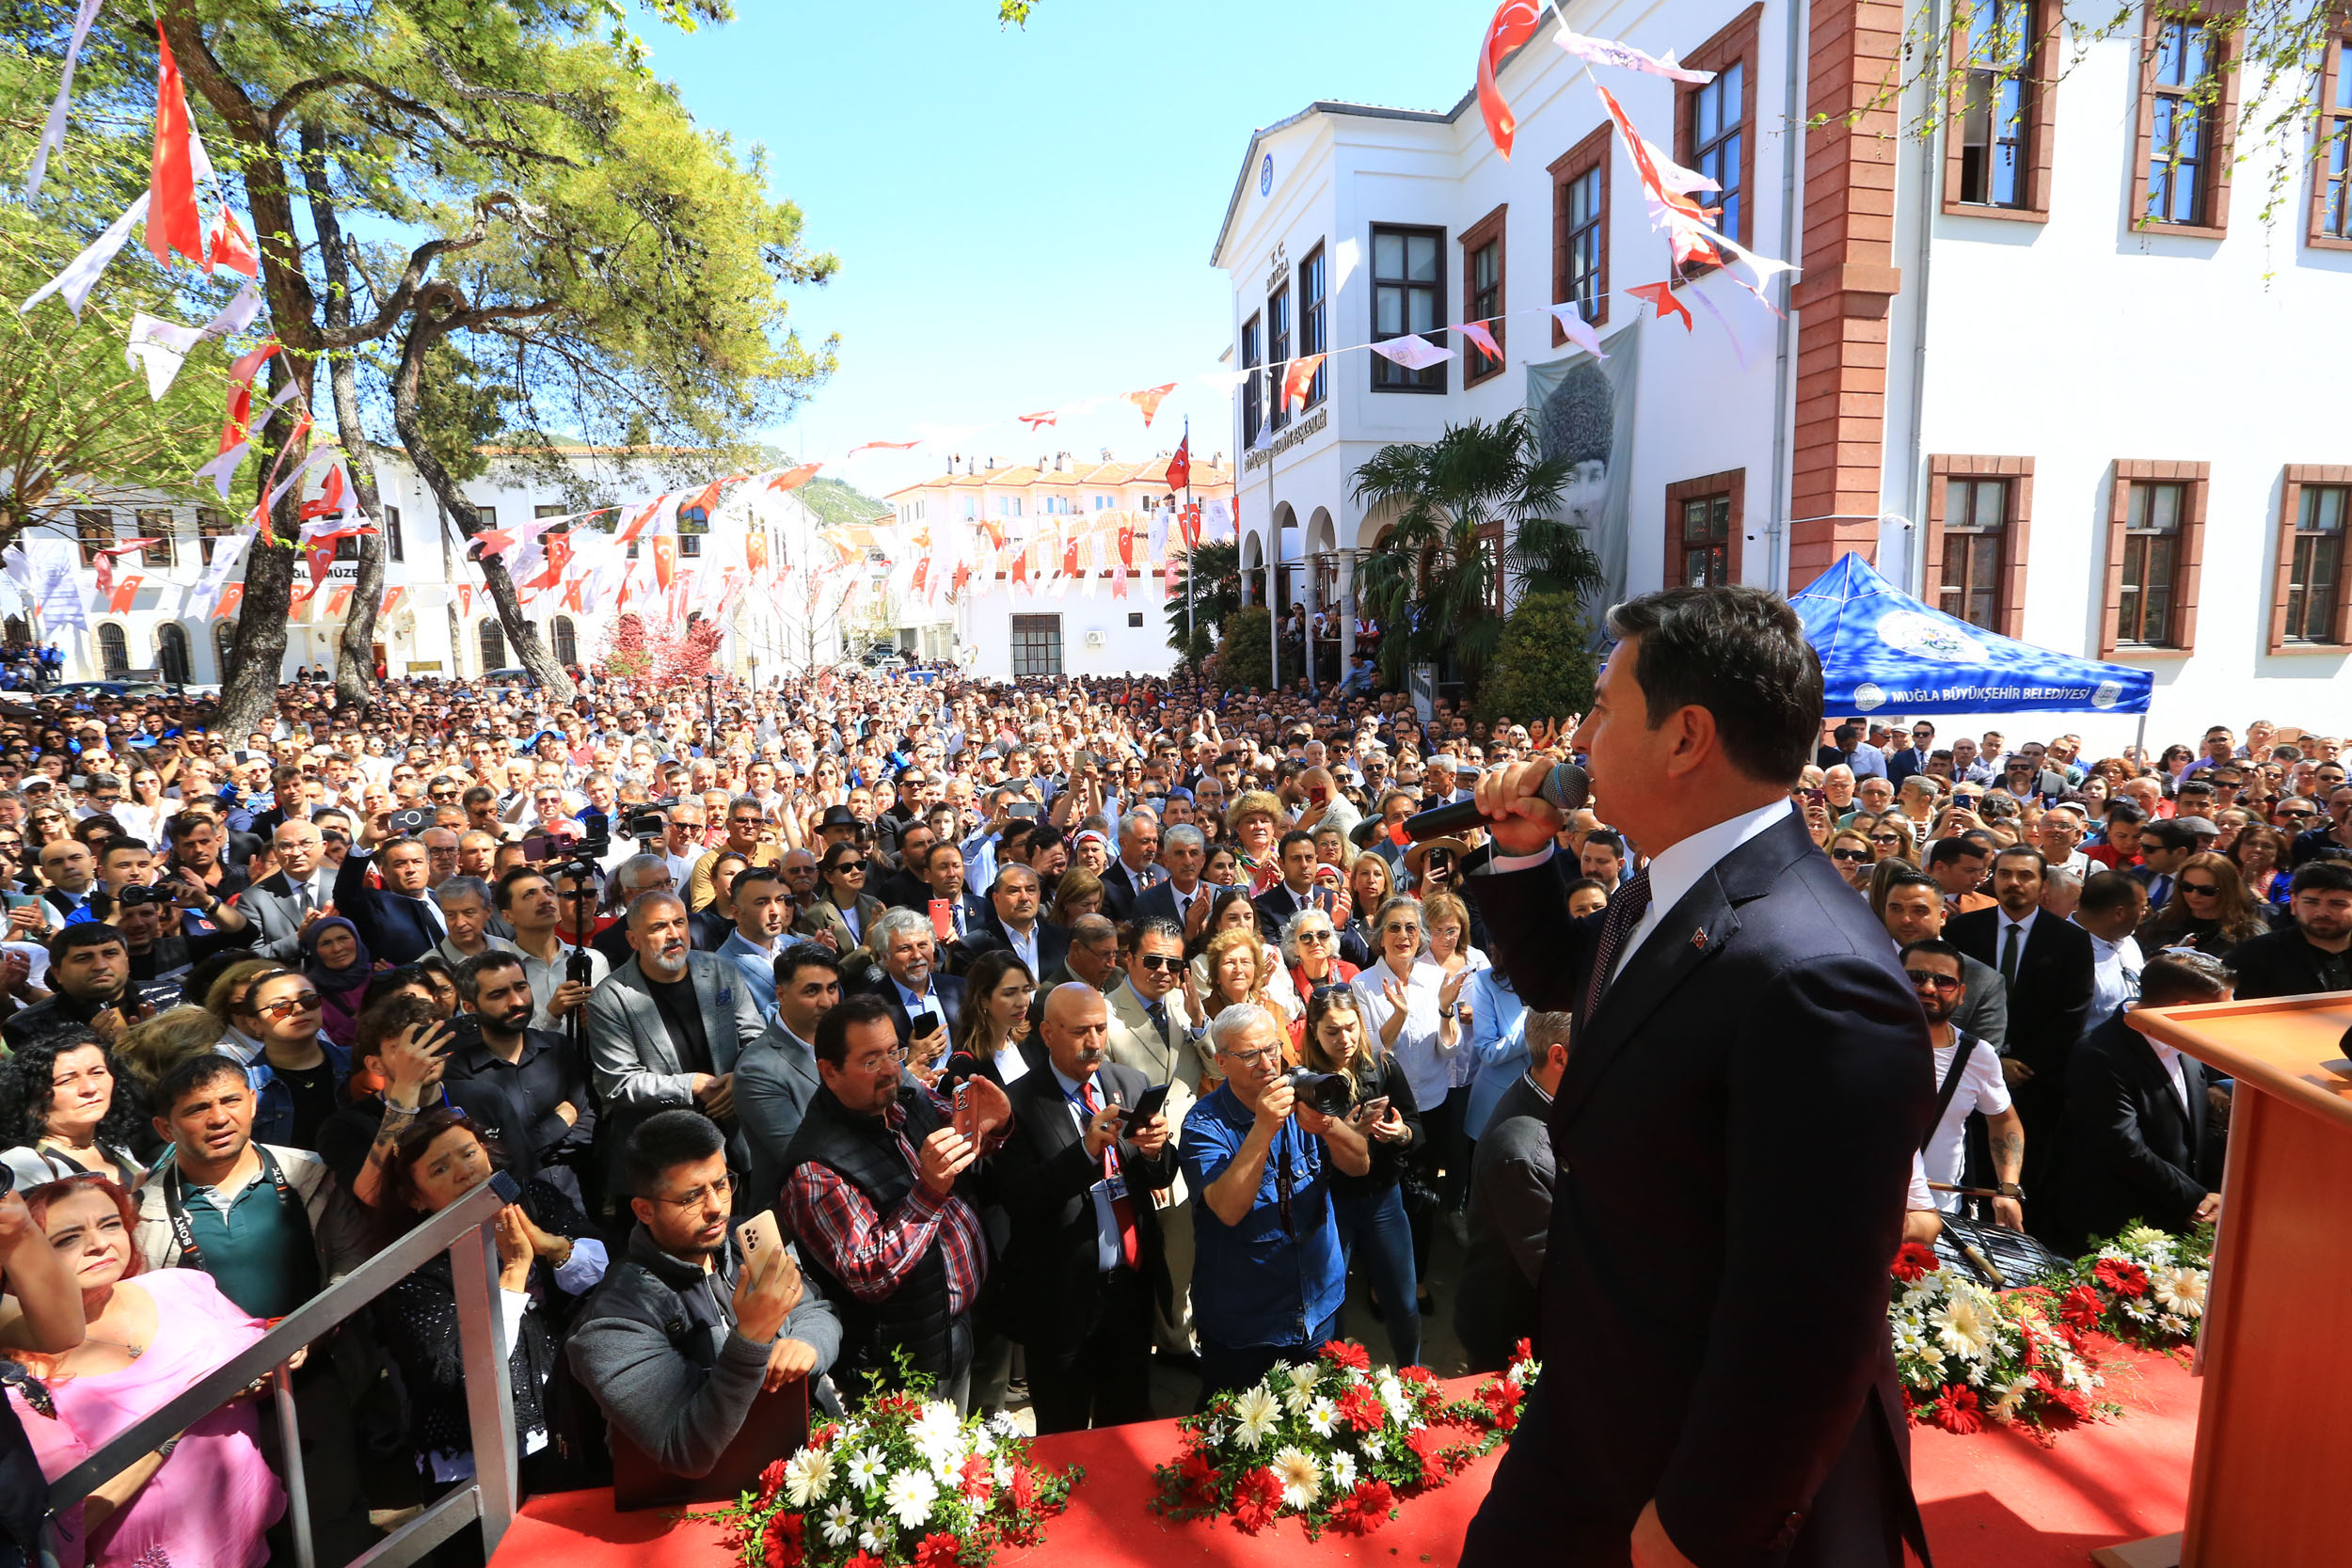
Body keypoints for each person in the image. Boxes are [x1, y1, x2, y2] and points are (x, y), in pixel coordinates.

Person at [1457, 587, 1931, 1568]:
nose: (1577, 737)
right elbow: (1584, 984)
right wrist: (1521, 852)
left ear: (1686, 737)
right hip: (1599, 1408)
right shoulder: (1672, 887)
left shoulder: (1816, 973)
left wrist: (1699, 1526)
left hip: (1682, 1472)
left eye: (1599, 707)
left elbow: (1810, 1311)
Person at [4, 1176, 287, 1568]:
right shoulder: (23, 1375)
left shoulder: (183, 1286)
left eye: (110, 1224)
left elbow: (251, 1373)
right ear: (27, 1265)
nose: (99, 1244)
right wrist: (183, 1412)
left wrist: (276, 1362)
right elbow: (61, 1522)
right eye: (67, 1239)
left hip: (258, 1540)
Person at [566, 1111, 841, 1481]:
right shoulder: (613, 1320)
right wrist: (752, 1338)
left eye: (722, 1183)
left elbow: (819, 1311)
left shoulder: (744, 1243)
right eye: (692, 1196)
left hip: (806, 1470)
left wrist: (808, 1346)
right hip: (707, 1511)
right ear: (644, 1209)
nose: (715, 1207)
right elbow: (685, 1451)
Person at [778, 993, 1012, 1410]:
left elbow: (962, 1137)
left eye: (894, 1052)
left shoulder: (903, 1098)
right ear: (828, 1071)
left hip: (959, 1323)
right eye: (871, 1060)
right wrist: (929, 1191)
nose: (890, 1069)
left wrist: (992, 1125)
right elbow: (868, 1274)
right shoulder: (814, 1171)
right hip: (903, 1363)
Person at [371, 1107, 606, 1489]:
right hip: (483, 1458)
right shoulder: (413, 1268)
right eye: (440, 1169)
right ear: (415, 1198)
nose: (465, 1171)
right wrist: (514, 1271)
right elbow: (457, 1373)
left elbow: (607, 1281)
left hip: (573, 1417)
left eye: (469, 1153)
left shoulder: (534, 1198)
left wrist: (555, 1248)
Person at [985, 983, 1175, 1433]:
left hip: (1128, 1290)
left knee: (1128, 1423)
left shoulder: (1129, 1083)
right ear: (1047, 1033)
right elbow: (1020, 1197)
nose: (1094, 1042)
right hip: (1061, 1300)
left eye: (1100, 1029)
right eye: (1079, 1031)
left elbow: (1159, 1176)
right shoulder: (1017, 1103)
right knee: (1064, 1436)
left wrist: (1154, 1153)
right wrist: (1086, 1154)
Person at [1179, 1002, 1370, 1402]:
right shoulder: (1203, 1125)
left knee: (1319, 1430)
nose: (1267, 1064)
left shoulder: (1302, 1095)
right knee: (1240, 1440)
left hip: (1320, 1307)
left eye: (1272, 1049)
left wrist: (1330, 1125)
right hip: (1247, 1323)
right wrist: (1264, 1128)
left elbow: (1359, 1165)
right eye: (1250, 1055)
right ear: (1221, 1062)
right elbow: (1228, 1210)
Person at [132, 1053, 372, 1310]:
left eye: (231, 1101)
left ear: (253, 1104)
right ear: (165, 1129)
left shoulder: (315, 1174)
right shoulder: (140, 1214)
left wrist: (320, 1324)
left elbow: (352, 1257)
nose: (219, 1118)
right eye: (198, 1109)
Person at [2039, 951, 2231, 1256]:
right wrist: (2197, 1201)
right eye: (2221, 1011)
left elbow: (2202, 1122)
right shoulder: (2100, 1054)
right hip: (2119, 1233)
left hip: (2180, 1221)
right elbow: (2124, 1147)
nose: (2226, 1022)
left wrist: (2217, 1192)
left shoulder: (2189, 1039)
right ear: (2183, 1009)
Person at [1947, 845, 2094, 1190]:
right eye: (2005, 874)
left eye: (2025, 875)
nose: (2014, 882)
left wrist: (2023, 1063)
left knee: (2024, 1175)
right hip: (1967, 1069)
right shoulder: (1962, 931)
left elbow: (2072, 1013)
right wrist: (1991, 1060)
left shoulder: (2070, 940)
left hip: (2035, 1079)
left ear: (2043, 885)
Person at [1101, 916, 1208, 1363]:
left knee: (1183, 1259)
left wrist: (1201, 1023)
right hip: (1129, 1158)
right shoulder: (1104, 1014)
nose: (1164, 971)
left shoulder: (1186, 1009)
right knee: (1136, 1262)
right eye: (1152, 960)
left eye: (1174, 964)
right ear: (1128, 959)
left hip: (1186, 1158)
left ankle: (1178, 1342)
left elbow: (1218, 1071)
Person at [1299, 987, 1422, 1367]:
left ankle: (1412, 1376)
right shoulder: (1305, 1084)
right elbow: (1299, 1154)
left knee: (1403, 1300)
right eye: (1332, 1031)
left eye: (1351, 1027)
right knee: (1330, 1304)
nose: (1345, 1039)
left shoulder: (1382, 1066)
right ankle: (1334, 1393)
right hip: (1332, 1205)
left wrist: (1401, 1134)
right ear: (1314, 1033)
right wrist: (1342, 1138)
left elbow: (1418, 1128)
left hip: (1385, 1198)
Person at [1456, 1010, 1572, 1374]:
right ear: (1559, 1057)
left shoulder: (1542, 1094)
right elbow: (1560, 1273)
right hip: (1510, 1342)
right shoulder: (1520, 1155)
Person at [441, 952, 599, 1196]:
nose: (516, 1001)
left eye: (521, 987)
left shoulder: (558, 1048)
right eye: (498, 994)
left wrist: (524, 1146)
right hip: (514, 1205)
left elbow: (589, 1123)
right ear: (470, 1007)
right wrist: (557, 1125)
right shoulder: (459, 1075)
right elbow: (494, 1158)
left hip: (580, 1193)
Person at [1897, 941, 2025, 1227]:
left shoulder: (1978, 1055)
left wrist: (2009, 1188)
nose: (1929, 988)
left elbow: (2004, 1120)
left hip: (1940, 1216)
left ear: (1961, 993)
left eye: (1943, 981)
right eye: (1916, 977)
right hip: (1863, 1204)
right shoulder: (1860, 1039)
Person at [734, 943, 841, 1211]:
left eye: (832, 988)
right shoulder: (757, 1069)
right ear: (781, 994)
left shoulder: (851, 1037)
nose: (827, 1002)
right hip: (795, 1218)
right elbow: (803, 1157)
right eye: (812, 990)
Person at [0, 1034, 148, 1191]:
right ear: (29, 1100)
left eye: (97, 1072)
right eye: (66, 1080)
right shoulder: (22, 1165)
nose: (90, 1088)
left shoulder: (111, 1143)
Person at [495, 865, 607, 1030]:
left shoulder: (593, 961)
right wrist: (551, 1014)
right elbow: (504, 1039)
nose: (545, 900)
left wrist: (599, 1023)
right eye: (529, 895)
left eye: (549, 891)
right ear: (507, 916)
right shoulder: (497, 972)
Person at [2225, 860, 2352, 998]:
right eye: (2311, 903)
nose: (2322, 912)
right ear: (2294, 904)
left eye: (2337, 904)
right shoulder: (2254, 955)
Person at [3, 924, 138, 1051]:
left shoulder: (158, 999)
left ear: (127, 960)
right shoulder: (27, 1027)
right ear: (57, 972)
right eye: (83, 958)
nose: (100, 966)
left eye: (110, 954)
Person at [862, 907, 968, 1053]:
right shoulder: (869, 1008)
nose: (917, 955)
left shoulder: (961, 989)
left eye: (922, 945)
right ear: (885, 956)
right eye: (905, 948)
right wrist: (909, 1062)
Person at [332, 833, 444, 965]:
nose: (411, 869)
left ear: (428, 866)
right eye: (400, 864)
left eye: (417, 862)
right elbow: (347, 893)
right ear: (384, 872)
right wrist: (366, 841)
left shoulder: (446, 901)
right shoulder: (374, 905)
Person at [2135, 850, 2268, 960]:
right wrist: (2158, 957)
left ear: (2227, 890)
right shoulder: (2163, 919)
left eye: (2207, 891)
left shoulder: (2248, 931)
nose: (2194, 895)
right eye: (2187, 887)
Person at [241, 819, 337, 961]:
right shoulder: (254, 898)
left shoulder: (342, 884)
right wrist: (299, 937)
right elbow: (252, 957)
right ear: (275, 852)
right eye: (286, 846)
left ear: (323, 847)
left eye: (305, 843)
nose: (296, 852)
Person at [948, 947, 1041, 1086]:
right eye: (1010, 993)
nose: (1022, 1002)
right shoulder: (964, 1065)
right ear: (983, 999)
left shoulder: (1032, 1043)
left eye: (1026, 990)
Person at [715, 865, 795, 1022]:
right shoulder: (721, 968)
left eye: (779, 900)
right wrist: (797, 993)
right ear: (736, 912)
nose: (775, 911)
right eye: (762, 903)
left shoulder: (797, 946)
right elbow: (743, 1033)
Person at [297, 916, 381, 1052]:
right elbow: (325, 1047)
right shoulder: (308, 992)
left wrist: (394, 985)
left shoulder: (381, 972)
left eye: (343, 938)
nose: (337, 949)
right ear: (314, 950)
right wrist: (357, 1020)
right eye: (326, 943)